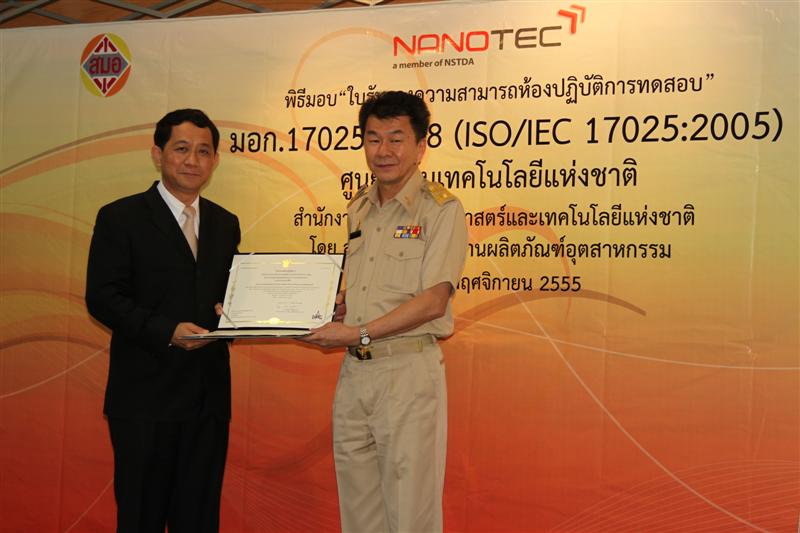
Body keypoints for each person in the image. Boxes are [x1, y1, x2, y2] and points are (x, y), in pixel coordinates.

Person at [304, 91, 468, 533]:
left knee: (411, 513)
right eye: (373, 138)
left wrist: (357, 331)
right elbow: (371, 289)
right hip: (355, 375)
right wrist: (341, 306)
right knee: (358, 512)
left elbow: (433, 300)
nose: (384, 151)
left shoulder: (441, 209)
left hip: (407, 374)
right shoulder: (359, 207)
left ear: (420, 146)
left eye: (396, 139)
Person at [85, 108, 240, 533]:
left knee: (199, 519)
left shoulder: (225, 223)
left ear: (215, 160)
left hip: (207, 401)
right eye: (181, 149)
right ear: (158, 154)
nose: (193, 160)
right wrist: (166, 331)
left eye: (204, 151)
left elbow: (230, 297)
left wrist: (249, 314)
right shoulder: (121, 217)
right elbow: (103, 297)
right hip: (144, 400)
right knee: (142, 518)